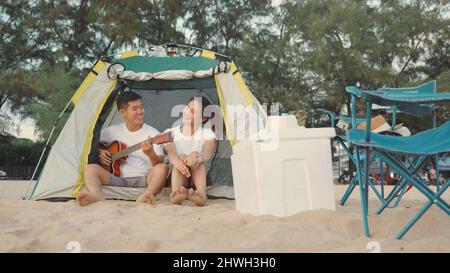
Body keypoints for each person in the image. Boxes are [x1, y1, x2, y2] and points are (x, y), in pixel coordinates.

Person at [76, 91, 169, 206]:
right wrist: (99, 151)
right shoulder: (111, 131)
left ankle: (146, 195)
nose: (140, 112)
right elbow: (89, 142)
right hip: (115, 177)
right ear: (122, 112)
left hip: (143, 178)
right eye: (135, 109)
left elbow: (158, 163)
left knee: (162, 168)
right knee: (90, 168)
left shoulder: (153, 134)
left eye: (141, 107)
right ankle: (96, 194)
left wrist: (150, 153)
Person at [164, 96, 217, 206]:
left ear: (202, 118)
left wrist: (198, 157)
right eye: (187, 108)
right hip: (177, 175)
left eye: (193, 112)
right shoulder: (170, 132)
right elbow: (171, 151)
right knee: (182, 156)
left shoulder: (207, 134)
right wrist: (178, 161)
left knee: (196, 158)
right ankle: (176, 194)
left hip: (197, 179)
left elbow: (208, 151)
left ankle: (201, 195)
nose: (187, 112)